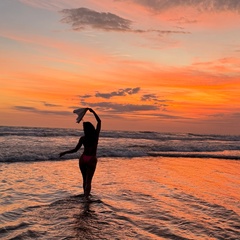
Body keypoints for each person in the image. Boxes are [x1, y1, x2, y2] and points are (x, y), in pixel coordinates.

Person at [59, 108, 101, 200]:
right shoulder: (95, 136)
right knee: (89, 181)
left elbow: (75, 150)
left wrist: (64, 152)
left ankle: (84, 195)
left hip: (83, 158)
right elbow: (99, 121)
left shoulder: (83, 138)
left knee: (84, 180)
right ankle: (86, 198)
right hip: (91, 159)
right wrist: (93, 112)